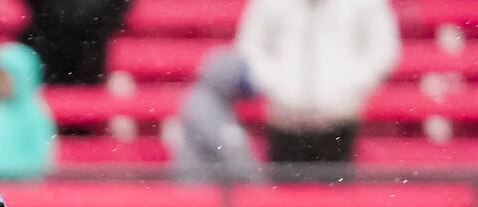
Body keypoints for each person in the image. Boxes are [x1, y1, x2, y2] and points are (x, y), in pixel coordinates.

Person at [234, 0, 397, 171]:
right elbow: (250, 47)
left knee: (336, 194)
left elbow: (381, 50)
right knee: (285, 193)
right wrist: (278, 87)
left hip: (338, 121)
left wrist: (347, 87)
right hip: (285, 120)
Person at [170, 48, 263, 184]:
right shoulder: (202, 104)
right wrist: (257, 182)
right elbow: (230, 147)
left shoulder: (218, 102)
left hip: (216, 188)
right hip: (201, 189)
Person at [0, 43, 58, 182]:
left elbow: (40, 162)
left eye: (3, 76)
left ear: (21, 76)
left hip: (25, 191)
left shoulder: (36, 115)